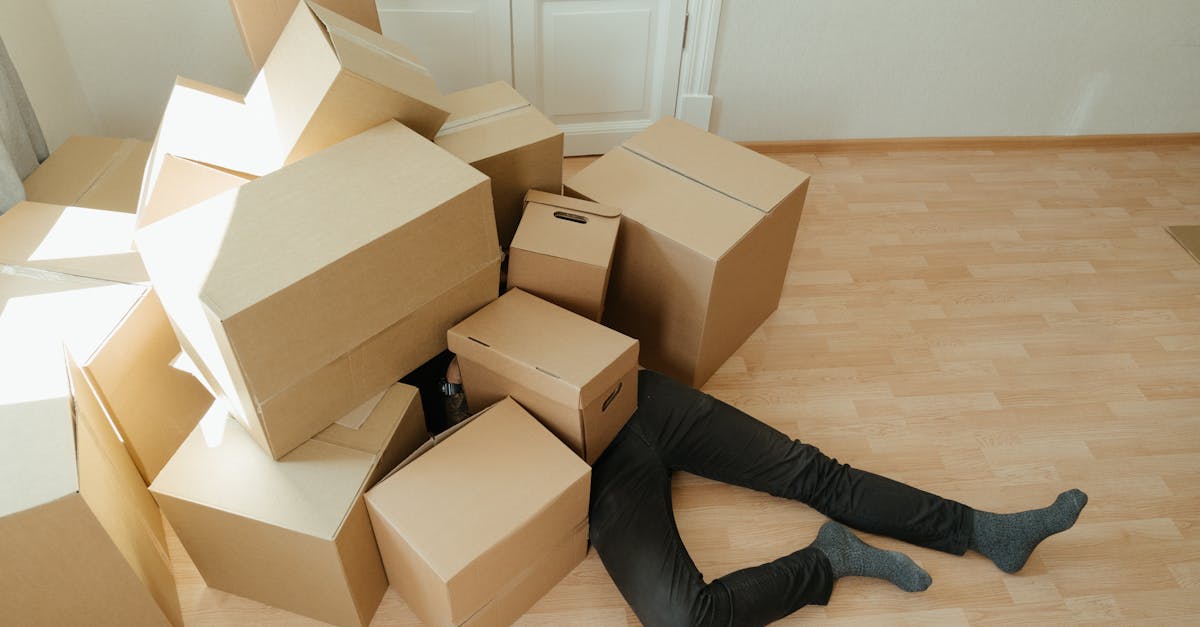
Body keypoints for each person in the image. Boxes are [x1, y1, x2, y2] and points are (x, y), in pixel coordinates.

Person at [436, 363, 1087, 626]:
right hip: (584, 466)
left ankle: (988, 532)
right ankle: (827, 560)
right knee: (685, 619)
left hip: (627, 394)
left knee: (811, 471)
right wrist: (451, 387)